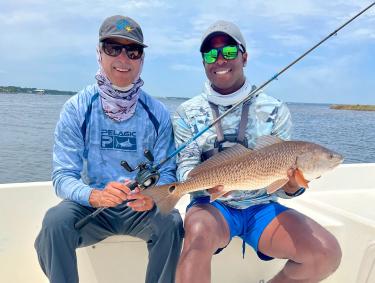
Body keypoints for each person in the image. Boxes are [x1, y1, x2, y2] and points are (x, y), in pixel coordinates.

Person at [173, 20, 342, 283]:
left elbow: (286, 191)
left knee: (326, 252)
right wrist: (208, 184)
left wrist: (292, 186)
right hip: (212, 206)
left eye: (229, 52)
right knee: (196, 235)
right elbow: (186, 164)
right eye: (211, 54)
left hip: (261, 207)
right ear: (204, 62)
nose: (220, 60)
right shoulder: (187, 112)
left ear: (244, 56)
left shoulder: (275, 109)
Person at [34, 15, 183, 283]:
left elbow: (169, 172)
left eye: (133, 51)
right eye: (113, 48)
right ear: (99, 54)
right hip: (92, 207)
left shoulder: (158, 113)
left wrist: (152, 197)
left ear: (141, 60)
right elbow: (63, 176)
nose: (123, 58)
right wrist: (94, 195)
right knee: (55, 222)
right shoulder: (77, 108)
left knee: (171, 222)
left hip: (140, 208)